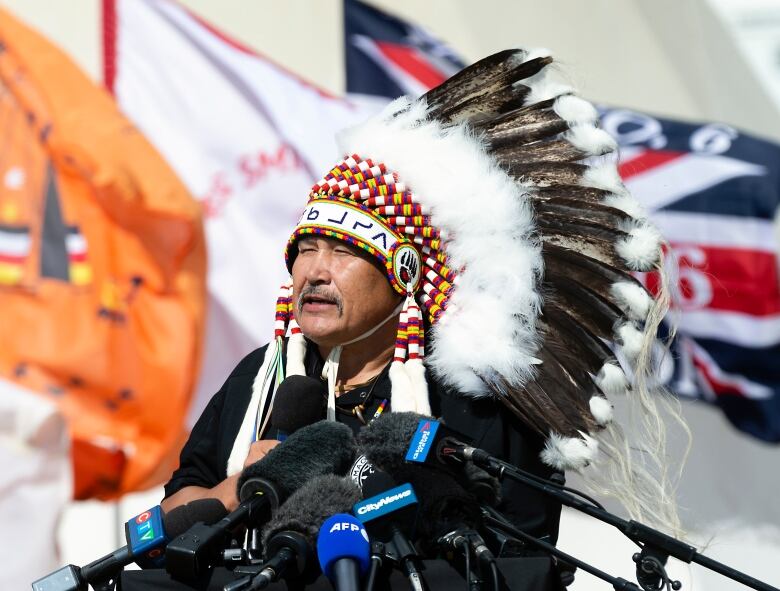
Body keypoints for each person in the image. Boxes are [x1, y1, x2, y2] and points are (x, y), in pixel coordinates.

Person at [162, 47, 677, 552]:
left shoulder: (472, 400)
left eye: (343, 253)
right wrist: (244, 489)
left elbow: (521, 554)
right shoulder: (260, 380)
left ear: (403, 274)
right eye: (306, 249)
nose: (314, 272)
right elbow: (171, 514)